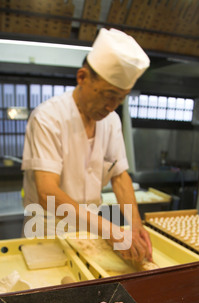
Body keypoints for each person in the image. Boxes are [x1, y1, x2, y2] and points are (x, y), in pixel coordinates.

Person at [21, 28, 152, 263]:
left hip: (91, 230)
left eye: (120, 99)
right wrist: (112, 231)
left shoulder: (111, 121)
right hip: (47, 231)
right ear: (82, 77)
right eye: (108, 95)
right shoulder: (48, 118)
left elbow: (120, 176)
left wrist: (135, 225)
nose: (112, 106)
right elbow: (47, 193)